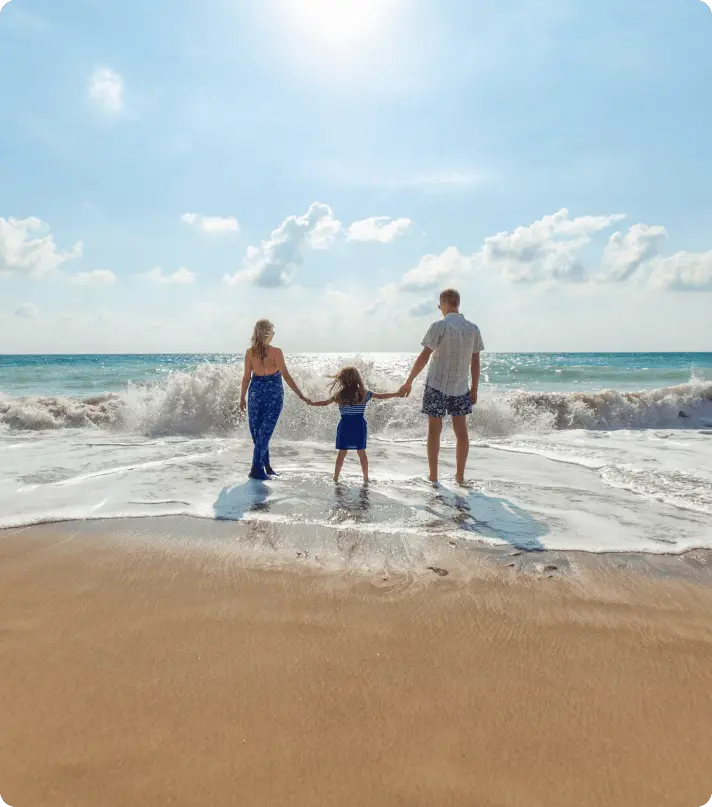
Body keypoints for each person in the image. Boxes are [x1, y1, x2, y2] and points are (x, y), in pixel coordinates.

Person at [399, 288, 484, 486]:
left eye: (440, 306)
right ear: (458, 303)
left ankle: (434, 477)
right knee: (461, 433)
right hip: (461, 387)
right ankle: (460, 476)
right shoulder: (473, 328)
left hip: (436, 385)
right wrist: (475, 388)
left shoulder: (439, 326)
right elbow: (476, 362)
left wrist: (409, 380)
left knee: (434, 432)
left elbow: (424, 356)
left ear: (445, 303)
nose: (440, 309)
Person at [240, 319, 308, 480]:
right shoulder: (275, 352)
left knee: (260, 432)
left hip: (257, 393)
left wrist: (242, 397)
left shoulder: (250, 352)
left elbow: (246, 378)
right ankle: (257, 469)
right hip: (272, 394)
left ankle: (265, 466)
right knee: (262, 433)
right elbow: (286, 375)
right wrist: (301, 395)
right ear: (269, 334)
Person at [308, 366, 402, 483]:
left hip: (345, 426)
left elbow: (324, 403)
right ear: (357, 379)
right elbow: (381, 396)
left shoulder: (340, 395)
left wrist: (311, 403)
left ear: (342, 380)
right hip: (358, 426)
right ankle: (366, 478)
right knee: (361, 453)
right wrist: (397, 394)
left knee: (342, 453)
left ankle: (336, 478)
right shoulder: (364, 393)